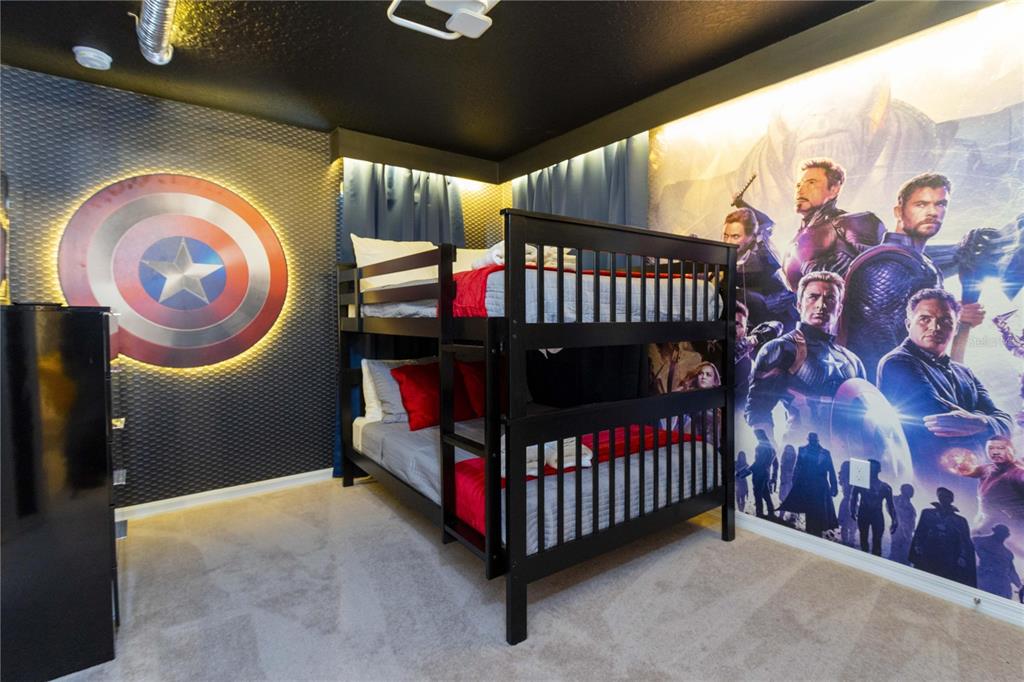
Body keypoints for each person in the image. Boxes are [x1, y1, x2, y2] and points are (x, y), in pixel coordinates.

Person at [877, 289, 1013, 513]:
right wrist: (986, 423)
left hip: (971, 489)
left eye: (945, 321)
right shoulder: (897, 362)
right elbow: (939, 424)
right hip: (928, 489)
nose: (935, 327)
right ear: (908, 324)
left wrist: (981, 423)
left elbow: (1007, 422)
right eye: (925, 319)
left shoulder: (964, 372)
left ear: (956, 327)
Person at [841, 174, 986, 381]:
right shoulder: (889, 265)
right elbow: (878, 346)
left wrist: (955, 317)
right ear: (898, 212)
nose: (932, 212)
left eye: (940, 204)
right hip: (887, 390)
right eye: (921, 204)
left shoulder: (920, 261)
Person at [745, 271, 866, 445]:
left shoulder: (853, 361)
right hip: (799, 453)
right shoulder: (781, 349)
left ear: (839, 309)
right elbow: (757, 411)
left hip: (846, 454)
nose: (821, 305)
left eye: (830, 298)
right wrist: (769, 453)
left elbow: (864, 418)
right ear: (799, 305)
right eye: (813, 297)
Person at [777, 158, 885, 291]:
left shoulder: (850, 223)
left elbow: (878, 277)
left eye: (811, 183)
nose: (801, 190)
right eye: (798, 185)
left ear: (834, 190)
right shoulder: (797, 238)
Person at [722, 207, 797, 330]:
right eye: (725, 236)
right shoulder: (732, 256)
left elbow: (767, 222)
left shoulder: (763, 255)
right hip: (753, 318)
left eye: (735, 236)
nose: (728, 241)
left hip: (779, 318)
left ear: (752, 236)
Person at [953, 436, 1024, 555]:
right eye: (991, 448)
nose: (995, 452)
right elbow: (971, 471)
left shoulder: (1017, 473)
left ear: (1012, 450)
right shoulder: (988, 468)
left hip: (1010, 524)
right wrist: (960, 465)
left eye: (1001, 448)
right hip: (987, 518)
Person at [909, 487, 977, 588]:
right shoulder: (927, 513)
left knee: (943, 583)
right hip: (928, 553)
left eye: (946, 497)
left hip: (949, 557)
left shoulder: (960, 521)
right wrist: (917, 546)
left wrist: (962, 556)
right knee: (924, 581)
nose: (943, 498)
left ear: (951, 499)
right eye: (941, 496)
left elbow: (964, 541)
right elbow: (920, 531)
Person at [778, 432, 838, 537]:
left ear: (817, 441)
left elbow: (831, 471)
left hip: (820, 488)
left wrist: (834, 486)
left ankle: (817, 533)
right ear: (809, 440)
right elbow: (797, 467)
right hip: (807, 486)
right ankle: (810, 532)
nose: (812, 443)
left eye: (814, 441)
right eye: (811, 441)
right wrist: (795, 483)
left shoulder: (825, 453)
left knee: (819, 512)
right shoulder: (802, 450)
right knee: (810, 511)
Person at [849, 459, 898, 556]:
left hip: (876, 515)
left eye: (873, 468)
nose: (871, 470)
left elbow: (890, 505)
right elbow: (853, 497)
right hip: (864, 514)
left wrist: (894, 520)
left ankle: (873, 559)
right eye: (870, 468)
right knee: (864, 539)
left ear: (878, 470)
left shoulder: (885, 487)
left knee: (877, 541)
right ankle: (864, 559)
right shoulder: (860, 483)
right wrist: (852, 510)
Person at [973, 525, 1022, 600]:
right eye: (1000, 533)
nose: (1002, 536)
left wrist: (1020, 586)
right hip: (984, 580)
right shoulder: (978, 541)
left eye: (1004, 534)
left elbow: (1011, 572)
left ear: (1007, 535)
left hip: (1002, 586)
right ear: (995, 531)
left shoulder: (1007, 553)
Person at [890, 484, 917, 565]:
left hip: (907, 534)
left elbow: (912, 522)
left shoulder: (911, 507)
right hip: (898, 531)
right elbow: (890, 508)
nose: (911, 493)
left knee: (905, 557)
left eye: (911, 491)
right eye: (909, 490)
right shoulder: (895, 499)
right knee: (895, 554)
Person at [836, 460, 857, 547]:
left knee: (847, 525)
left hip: (848, 502)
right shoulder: (851, 478)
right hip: (851, 502)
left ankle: (847, 541)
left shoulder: (845, 478)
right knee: (850, 525)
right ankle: (849, 541)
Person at [778, 444, 797, 523]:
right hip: (784, 483)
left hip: (791, 484)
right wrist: (782, 481)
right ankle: (781, 517)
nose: (788, 453)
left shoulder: (795, 462)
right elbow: (782, 473)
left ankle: (792, 518)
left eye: (790, 451)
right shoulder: (784, 461)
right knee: (783, 500)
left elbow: (796, 474)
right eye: (787, 451)